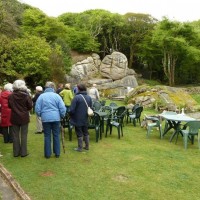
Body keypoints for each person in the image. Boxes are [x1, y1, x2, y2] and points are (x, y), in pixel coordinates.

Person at [35, 81, 66, 158]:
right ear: (53, 87)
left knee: (47, 136)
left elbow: (37, 109)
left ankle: (47, 154)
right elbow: (62, 108)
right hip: (56, 118)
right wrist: (62, 116)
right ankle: (57, 153)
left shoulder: (41, 96)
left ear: (46, 88)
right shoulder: (57, 96)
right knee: (56, 135)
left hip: (45, 119)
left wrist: (41, 115)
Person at [8, 80, 33, 157]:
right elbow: (30, 106)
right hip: (24, 117)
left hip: (15, 117)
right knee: (24, 135)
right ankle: (23, 152)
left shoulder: (11, 96)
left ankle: (16, 153)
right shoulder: (26, 95)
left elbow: (9, 106)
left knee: (15, 135)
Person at [69, 83, 92, 152]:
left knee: (79, 132)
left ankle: (80, 148)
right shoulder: (89, 97)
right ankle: (87, 146)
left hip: (77, 118)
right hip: (85, 118)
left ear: (78, 89)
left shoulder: (76, 97)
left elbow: (72, 109)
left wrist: (69, 114)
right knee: (85, 132)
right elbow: (91, 108)